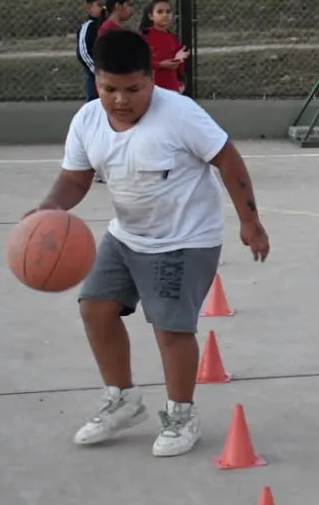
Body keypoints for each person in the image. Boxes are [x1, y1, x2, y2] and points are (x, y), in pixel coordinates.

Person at [24, 29, 271, 458]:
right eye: (109, 89)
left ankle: (181, 414)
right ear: (96, 81)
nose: (120, 99)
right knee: (94, 308)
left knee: (170, 327)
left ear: (151, 79)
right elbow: (74, 179)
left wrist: (251, 221)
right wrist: (48, 209)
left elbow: (227, 158)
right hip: (126, 235)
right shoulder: (86, 121)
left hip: (184, 239)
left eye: (133, 89)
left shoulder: (180, 114)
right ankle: (122, 399)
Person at [138, 0, 189, 93]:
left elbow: (180, 64)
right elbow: (138, 61)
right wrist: (160, 65)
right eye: (160, 12)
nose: (165, 15)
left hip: (172, 87)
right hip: (152, 87)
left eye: (168, 12)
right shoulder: (144, 36)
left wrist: (181, 80)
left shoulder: (172, 37)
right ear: (151, 16)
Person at [76, 0, 107, 101]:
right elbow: (83, 53)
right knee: (95, 103)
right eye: (100, 5)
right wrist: (98, 70)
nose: (104, 9)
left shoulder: (110, 26)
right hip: (95, 75)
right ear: (89, 8)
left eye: (106, 6)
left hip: (112, 74)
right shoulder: (88, 27)